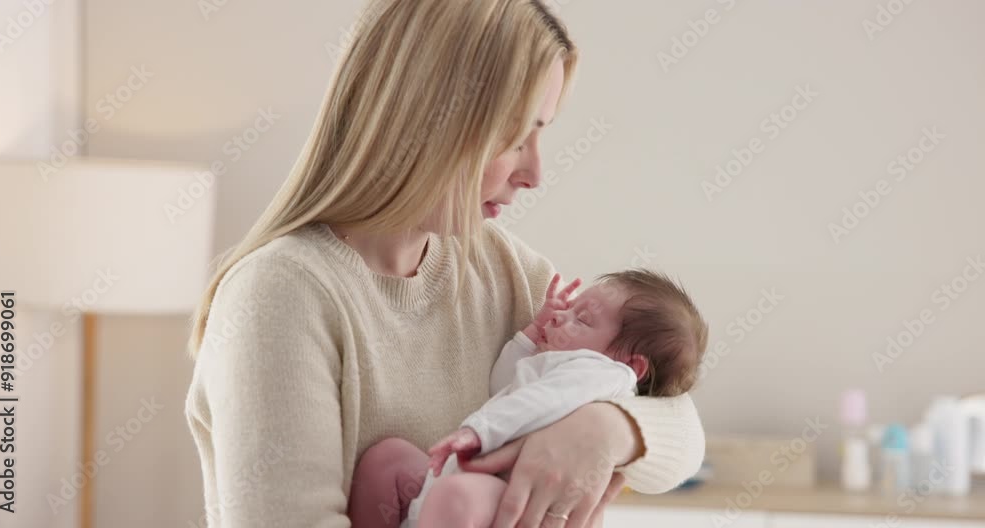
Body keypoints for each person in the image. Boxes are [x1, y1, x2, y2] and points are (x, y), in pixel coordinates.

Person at [184, 1, 706, 527]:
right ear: (433, 119)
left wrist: (606, 428)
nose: (535, 172)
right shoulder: (280, 295)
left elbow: (679, 424)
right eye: (518, 135)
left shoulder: (505, 270)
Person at [349, 269, 709, 527]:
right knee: (387, 459)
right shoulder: (566, 366)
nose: (561, 315)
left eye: (581, 319)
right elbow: (506, 386)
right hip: (460, 484)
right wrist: (532, 336)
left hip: (505, 500)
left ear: (633, 365)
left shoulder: (603, 375)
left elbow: (538, 402)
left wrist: (478, 431)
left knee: (454, 497)